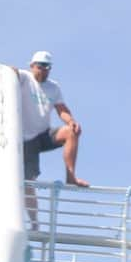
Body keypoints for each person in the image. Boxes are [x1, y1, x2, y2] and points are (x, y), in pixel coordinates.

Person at [20, 50, 88, 227]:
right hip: (26, 139)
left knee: (71, 132)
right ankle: (34, 221)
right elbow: (9, 72)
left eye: (47, 67)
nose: (43, 70)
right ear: (32, 66)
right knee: (29, 180)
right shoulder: (24, 78)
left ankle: (71, 176)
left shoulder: (53, 87)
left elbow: (61, 109)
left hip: (44, 134)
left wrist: (71, 121)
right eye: (40, 66)